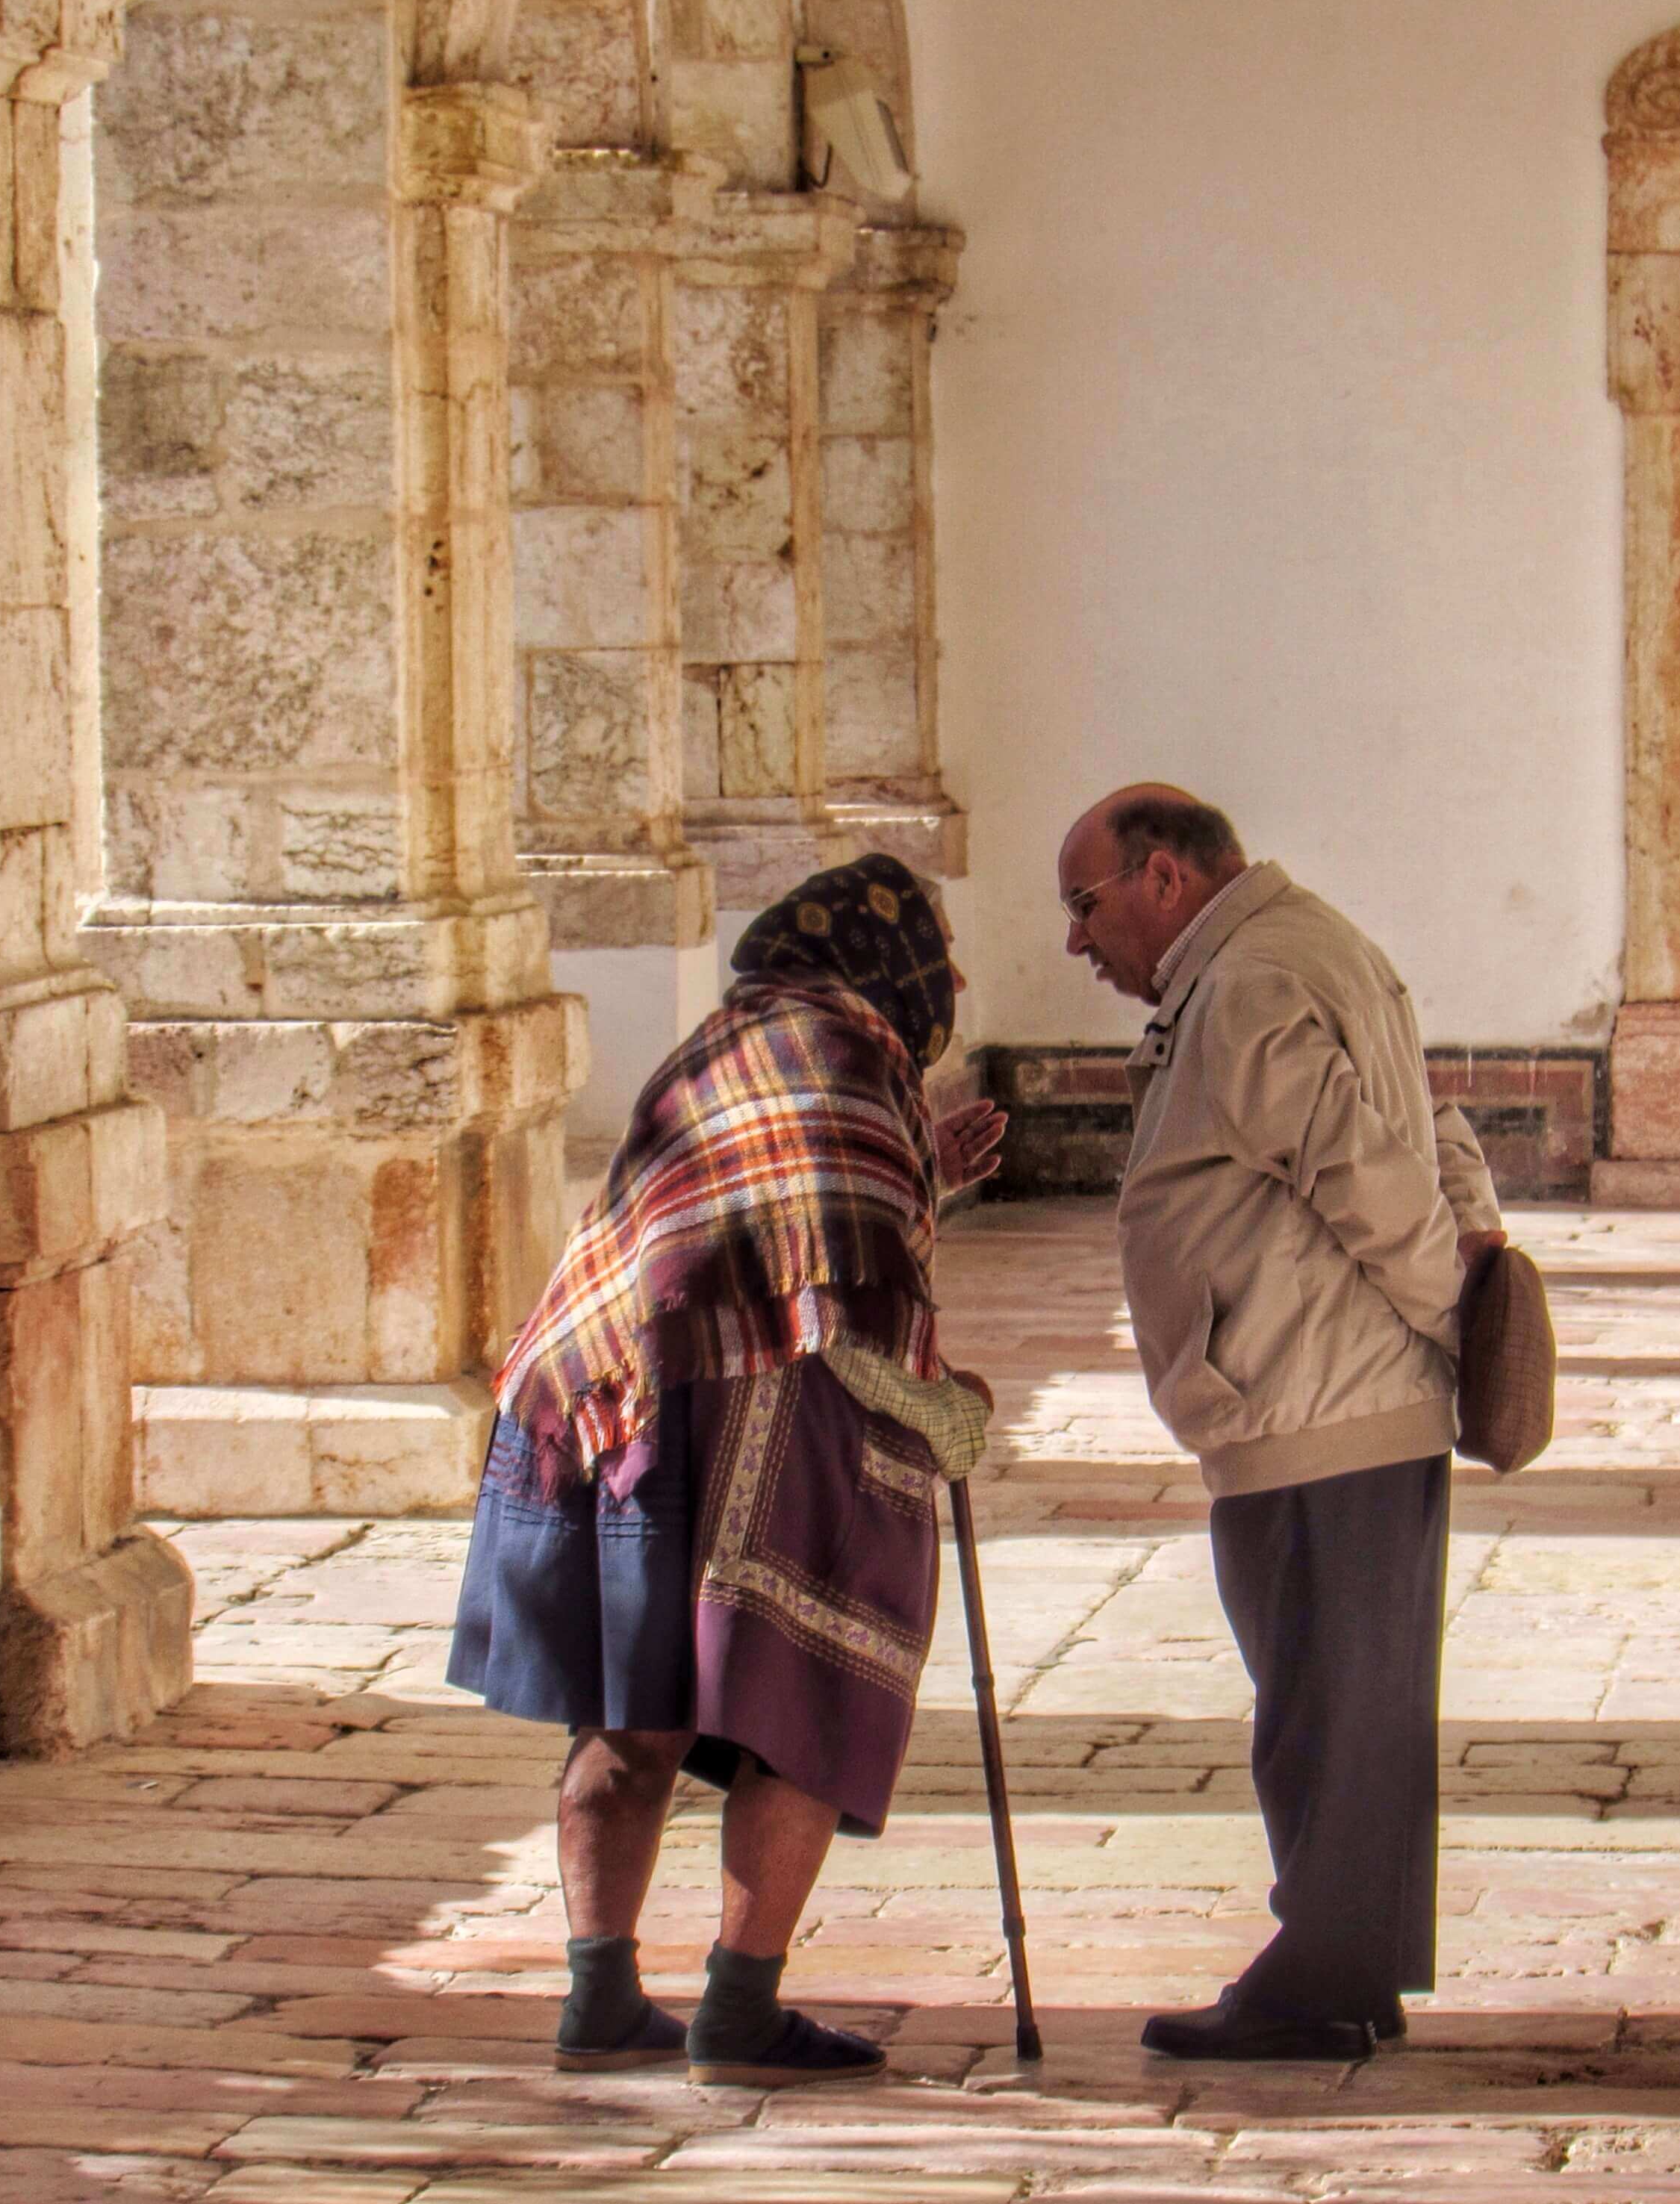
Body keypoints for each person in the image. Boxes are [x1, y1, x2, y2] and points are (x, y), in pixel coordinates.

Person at [450, 853, 1007, 2088]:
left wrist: (927, 1157)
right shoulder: (850, 1055)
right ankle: (740, 2010)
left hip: (616, 1406)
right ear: (891, 960)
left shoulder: (734, 1038)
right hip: (764, 1406)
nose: (950, 981)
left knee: (631, 1706)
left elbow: (770, 1200)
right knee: (800, 1700)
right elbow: (843, 1287)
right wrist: (944, 1409)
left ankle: (599, 1996)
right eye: (941, 958)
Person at [1058, 785, 1503, 2060]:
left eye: (1086, 907)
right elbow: (1434, 1122)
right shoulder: (1306, 943)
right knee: (1344, 1699)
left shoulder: (1250, 981)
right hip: (1324, 1390)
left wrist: (1451, 1319)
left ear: (1162, 879)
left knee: (1322, 1702)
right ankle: (1346, 1963)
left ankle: (1320, 1975)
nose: (1079, 944)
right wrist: (1462, 1273)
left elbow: (1365, 1168)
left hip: (1321, 1396)